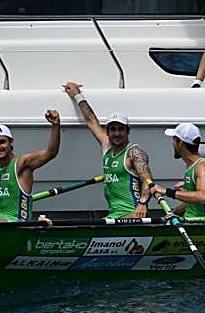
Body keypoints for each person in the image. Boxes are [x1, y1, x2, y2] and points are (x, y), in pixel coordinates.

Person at [63, 81, 154, 218]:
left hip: (131, 215)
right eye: (113, 129)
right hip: (113, 215)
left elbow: (148, 180)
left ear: (128, 131)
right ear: (107, 131)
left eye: (121, 129)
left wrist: (142, 203)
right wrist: (78, 95)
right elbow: (91, 120)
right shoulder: (107, 146)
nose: (117, 133)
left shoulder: (134, 152)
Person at [152, 122, 205, 220]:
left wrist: (166, 192)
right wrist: (174, 212)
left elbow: (201, 197)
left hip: (202, 225)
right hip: (189, 221)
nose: (172, 144)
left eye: (174, 139)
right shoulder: (192, 166)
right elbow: (192, 204)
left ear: (180, 143)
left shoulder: (201, 167)